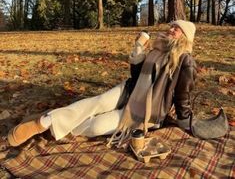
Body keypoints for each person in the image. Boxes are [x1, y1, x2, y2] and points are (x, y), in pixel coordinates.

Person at [5, 20, 196, 148]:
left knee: (96, 126)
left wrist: (185, 120)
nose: (171, 29)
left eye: (176, 29)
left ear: (185, 36)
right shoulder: (157, 48)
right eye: (171, 26)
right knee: (96, 103)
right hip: (130, 91)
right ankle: (41, 123)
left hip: (145, 111)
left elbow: (182, 94)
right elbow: (138, 76)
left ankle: (54, 122)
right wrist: (138, 48)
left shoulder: (184, 60)